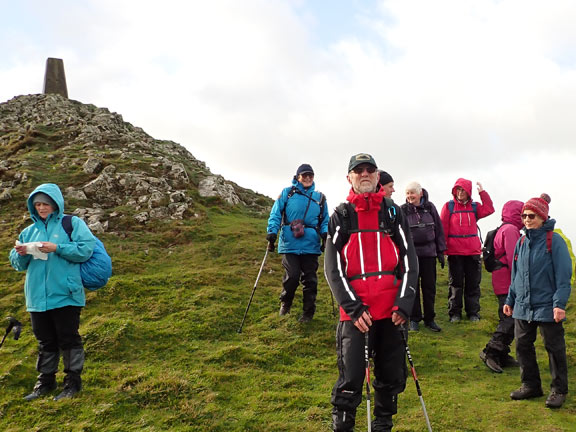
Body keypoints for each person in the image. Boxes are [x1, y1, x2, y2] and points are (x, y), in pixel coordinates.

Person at [324, 153, 418, 432]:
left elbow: (410, 260)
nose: (364, 174)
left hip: (391, 313)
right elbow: (333, 269)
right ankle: (343, 427)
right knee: (351, 378)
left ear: (377, 176)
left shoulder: (392, 212)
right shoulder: (341, 216)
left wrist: (404, 303)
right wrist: (353, 308)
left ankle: (382, 425)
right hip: (356, 315)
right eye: (358, 170)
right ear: (349, 177)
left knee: (390, 375)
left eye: (370, 170)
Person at [9, 183, 95, 401]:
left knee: (68, 339)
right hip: (37, 297)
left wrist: (57, 248)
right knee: (45, 341)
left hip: (66, 294)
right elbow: (18, 265)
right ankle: (45, 383)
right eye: (37, 204)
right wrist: (20, 253)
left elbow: (86, 249)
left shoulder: (71, 224)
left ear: (55, 204)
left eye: (45, 203)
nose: (41, 207)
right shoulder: (28, 231)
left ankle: (72, 384)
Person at [504, 194, 572, 409]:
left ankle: (559, 389)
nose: (526, 219)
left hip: (548, 305)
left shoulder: (555, 241)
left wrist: (559, 305)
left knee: (554, 348)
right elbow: (515, 275)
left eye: (531, 215)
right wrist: (510, 300)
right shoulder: (522, 242)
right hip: (523, 306)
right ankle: (530, 386)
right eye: (524, 215)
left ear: (542, 216)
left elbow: (563, 276)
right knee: (523, 346)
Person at [266, 164, 329, 323]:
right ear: (297, 177)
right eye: (304, 175)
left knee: (310, 280)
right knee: (292, 276)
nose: (308, 178)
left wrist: (325, 235)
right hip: (290, 243)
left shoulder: (320, 198)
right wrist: (272, 232)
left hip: (311, 244)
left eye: (311, 175)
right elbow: (275, 214)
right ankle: (285, 302)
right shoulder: (287, 193)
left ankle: (308, 313)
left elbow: (325, 220)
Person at [440, 178, 494, 322]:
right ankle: (455, 313)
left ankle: (473, 313)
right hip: (455, 252)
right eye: (457, 189)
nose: (460, 192)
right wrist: (443, 250)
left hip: (473, 252)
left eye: (463, 189)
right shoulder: (448, 207)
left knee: (473, 284)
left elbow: (489, 209)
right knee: (456, 284)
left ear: (468, 191)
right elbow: (443, 229)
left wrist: (482, 192)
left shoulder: (475, 207)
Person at [479, 200, 524, 373]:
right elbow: (515, 259)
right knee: (510, 317)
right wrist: (520, 282)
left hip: (501, 280)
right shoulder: (511, 230)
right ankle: (491, 352)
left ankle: (502, 354)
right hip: (508, 281)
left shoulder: (503, 228)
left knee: (509, 317)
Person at [401, 181, 446, 332]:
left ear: (420, 194)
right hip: (411, 256)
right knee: (413, 288)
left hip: (429, 254)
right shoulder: (403, 210)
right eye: (407, 193)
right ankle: (414, 319)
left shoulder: (430, 208)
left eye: (412, 193)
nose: (409, 196)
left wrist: (441, 252)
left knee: (429, 288)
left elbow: (439, 230)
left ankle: (430, 319)